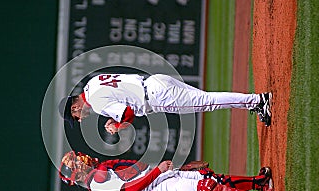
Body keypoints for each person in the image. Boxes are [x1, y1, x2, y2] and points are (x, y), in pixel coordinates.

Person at [59, 151, 278, 191]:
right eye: (76, 163)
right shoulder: (97, 182)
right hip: (153, 190)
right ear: (77, 175)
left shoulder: (100, 172)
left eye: (76, 158)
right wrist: (158, 173)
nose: (80, 159)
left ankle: (257, 183)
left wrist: (180, 168)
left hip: (157, 179)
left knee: (208, 177)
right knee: (206, 187)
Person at [59, 74, 273, 133]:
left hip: (158, 98)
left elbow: (127, 112)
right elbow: (121, 97)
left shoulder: (96, 104)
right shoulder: (92, 82)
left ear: (75, 107)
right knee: (206, 99)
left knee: (208, 102)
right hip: (154, 81)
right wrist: (114, 117)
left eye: (75, 117)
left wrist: (116, 126)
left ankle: (257, 100)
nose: (79, 120)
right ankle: (253, 103)